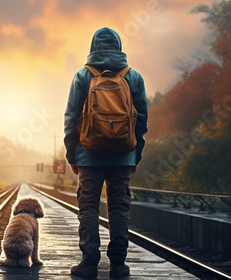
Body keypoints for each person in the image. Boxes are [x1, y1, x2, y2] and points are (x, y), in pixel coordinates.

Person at [64, 27, 148, 279]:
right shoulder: (133, 77)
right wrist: (136, 155)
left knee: (88, 207)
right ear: (119, 47)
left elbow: (70, 120)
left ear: (93, 47)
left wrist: (72, 157)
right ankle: (119, 266)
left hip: (88, 156)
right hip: (123, 155)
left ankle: (89, 263)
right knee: (119, 208)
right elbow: (142, 121)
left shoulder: (82, 76)